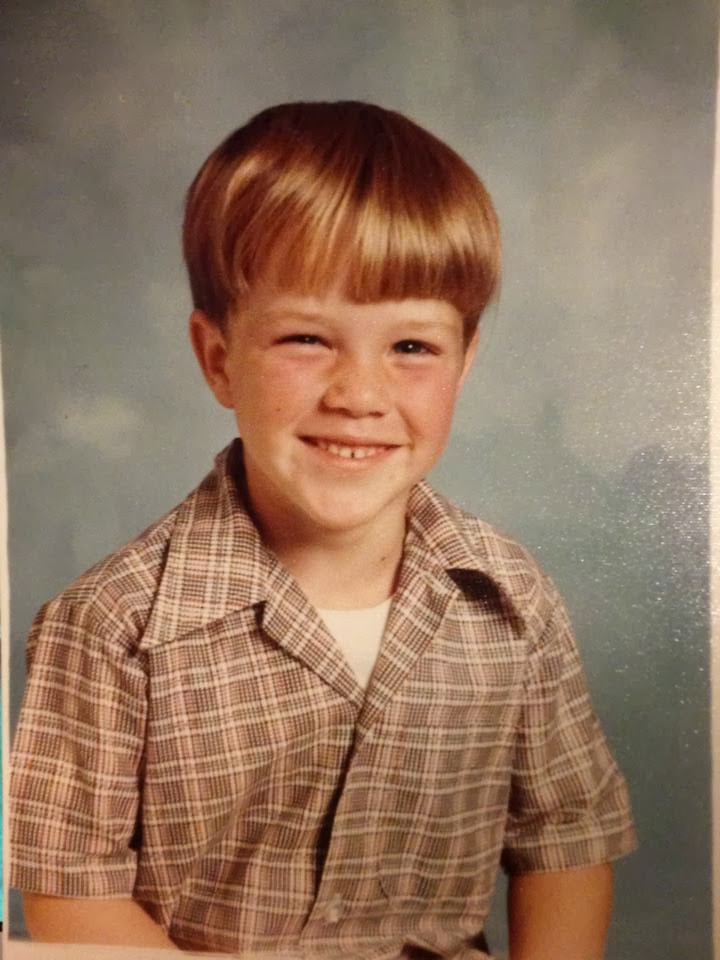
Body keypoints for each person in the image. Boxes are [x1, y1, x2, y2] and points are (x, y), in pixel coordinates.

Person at [11, 101, 636, 959]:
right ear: (219, 359)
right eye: (307, 338)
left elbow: (565, 844)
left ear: (465, 361)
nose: (359, 395)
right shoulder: (111, 624)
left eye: (411, 348)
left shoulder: (512, 599)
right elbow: (68, 895)